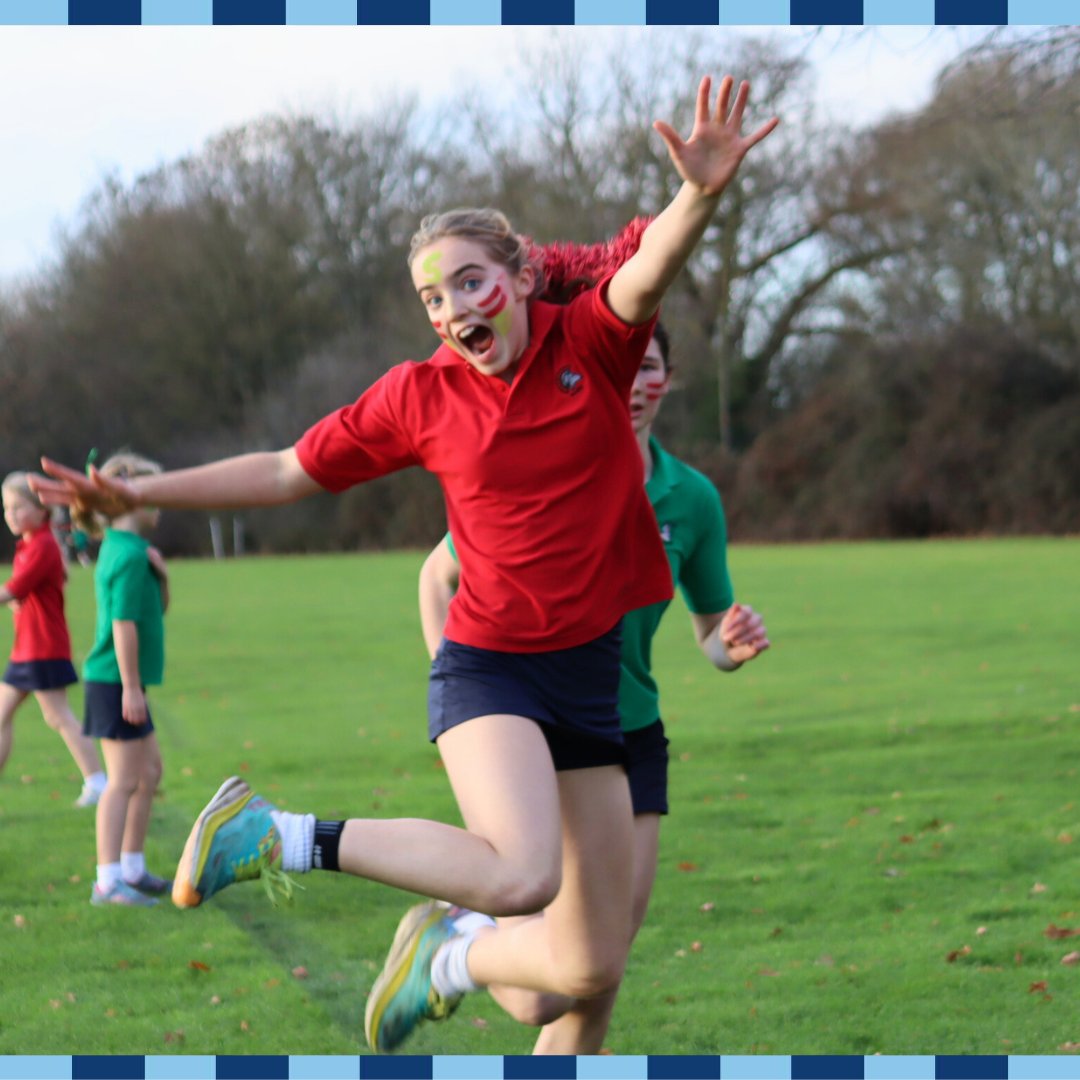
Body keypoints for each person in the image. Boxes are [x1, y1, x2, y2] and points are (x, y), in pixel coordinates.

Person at [32, 75, 778, 1052]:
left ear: (517, 276)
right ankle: (278, 836)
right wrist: (146, 493)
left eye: (471, 280)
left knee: (588, 969)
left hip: (593, 678)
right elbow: (288, 468)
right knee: (522, 877)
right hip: (492, 664)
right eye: (434, 296)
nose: (455, 306)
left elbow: (650, 272)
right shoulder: (418, 396)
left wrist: (701, 195)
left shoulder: (593, 344)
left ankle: (443, 960)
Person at [419, 322, 770, 1052]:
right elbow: (436, 577)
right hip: (537, 731)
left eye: (652, 369)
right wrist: (464, 702)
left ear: (666, 381)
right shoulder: (547, 470)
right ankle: (458, 942)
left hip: (630, 735)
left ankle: (460, 945)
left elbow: (709, 635)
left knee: (597, 976)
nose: (637, 382)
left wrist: (730, 645)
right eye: (626, 364)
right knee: (538, 996)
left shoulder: (693, 500)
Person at [74, 452, 173, 907]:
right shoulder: (127, 556)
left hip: (121, 682)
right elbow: (123, 626)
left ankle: (132, 867)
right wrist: (132, 688)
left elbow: (155, 611)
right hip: (115, 683)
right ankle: (107, 882)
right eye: (151, 494)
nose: (159, 503)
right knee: (122, 781)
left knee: (149, 772)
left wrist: (164, 577)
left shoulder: (129, 551)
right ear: (127, 502)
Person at [0, 472, 107, 807]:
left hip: (42, 649)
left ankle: (98, 781)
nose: (11, 515)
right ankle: (97, 781)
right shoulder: (31, 544)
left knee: (59, 716)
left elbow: (14, 588)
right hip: (27, 649)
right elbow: (22, 592)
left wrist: (13, 596)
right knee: (5, 715)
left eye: (18, 507)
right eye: (6, 509)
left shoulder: (43, 545)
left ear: (42, 509)